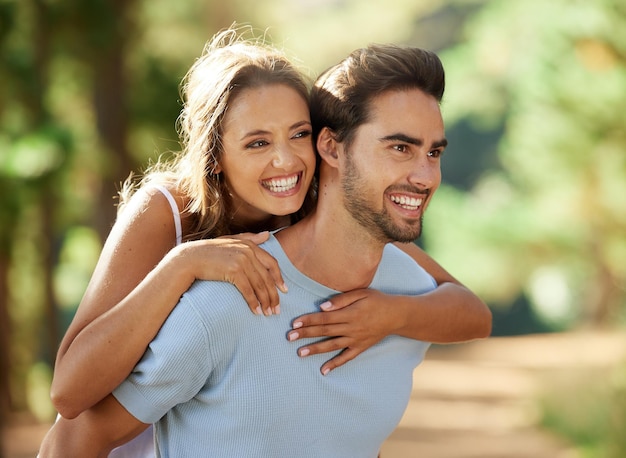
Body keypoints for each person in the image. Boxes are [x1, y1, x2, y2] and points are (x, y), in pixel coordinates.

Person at [39, 41, 490, 457]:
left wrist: (390, 314)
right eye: (257, 142)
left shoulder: (312, 205)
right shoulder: (167, 211)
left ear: (321, 143)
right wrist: (183, 264)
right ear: (214, 156)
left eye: (298, 135)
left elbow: (467, 308)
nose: (286, 160)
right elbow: (70, 397)